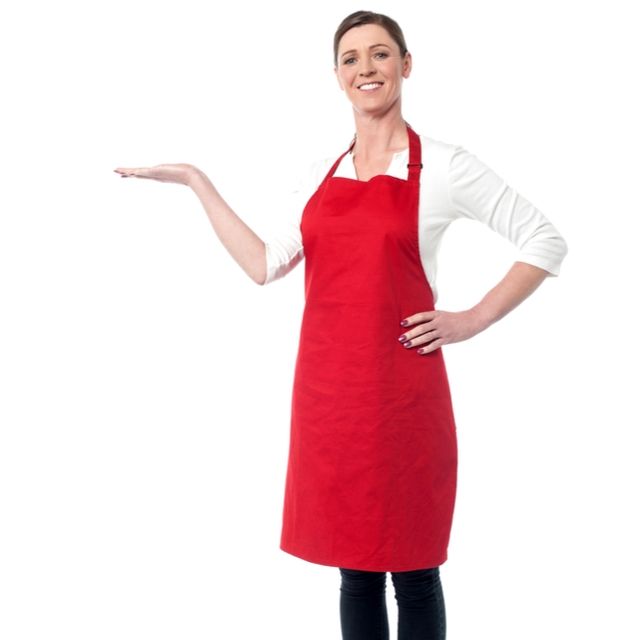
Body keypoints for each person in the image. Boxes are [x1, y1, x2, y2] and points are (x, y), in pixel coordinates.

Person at [114, 10, 568, 640]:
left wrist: (471, 319)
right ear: (337, 76)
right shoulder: (319, 174)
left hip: (403, 401)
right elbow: (265, 263)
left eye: (380, 54)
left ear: (405, 65)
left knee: (414, 569)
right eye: (351, 59)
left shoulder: (443, 166)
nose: (366, 69)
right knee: (354, 571)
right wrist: (198, 181)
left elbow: (544, 240)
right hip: (331, 400)